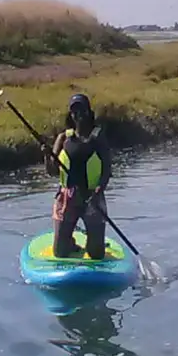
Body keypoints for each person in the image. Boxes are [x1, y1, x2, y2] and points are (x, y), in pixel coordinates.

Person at [51, 92, 114, 259]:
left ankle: (93, 241)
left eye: (82, 110)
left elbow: (107, 169)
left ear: (88, 112)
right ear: (70, 115)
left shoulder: (98, 137)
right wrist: (47, 156)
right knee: (60, 253)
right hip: (67, 197)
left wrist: (98, 191)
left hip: (92, 196)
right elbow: (51, 171)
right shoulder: (63, 138)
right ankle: (69, 242)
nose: (78, 115)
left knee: (96, 254)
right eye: (74, 111)